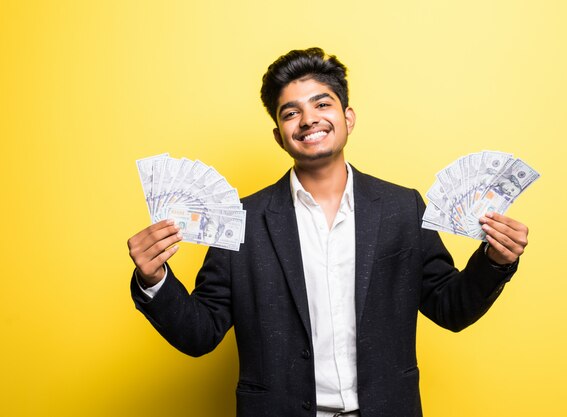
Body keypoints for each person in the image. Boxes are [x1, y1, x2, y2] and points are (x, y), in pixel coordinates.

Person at [127, 47, 529, 417]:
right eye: (290, 113)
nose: (308, 120)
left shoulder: (401, 208)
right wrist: (154, 281)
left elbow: (450, 308)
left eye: (322, 103)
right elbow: (201, 333)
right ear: (279, 135)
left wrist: (494, 261)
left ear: (347, 117)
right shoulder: (242, 218)